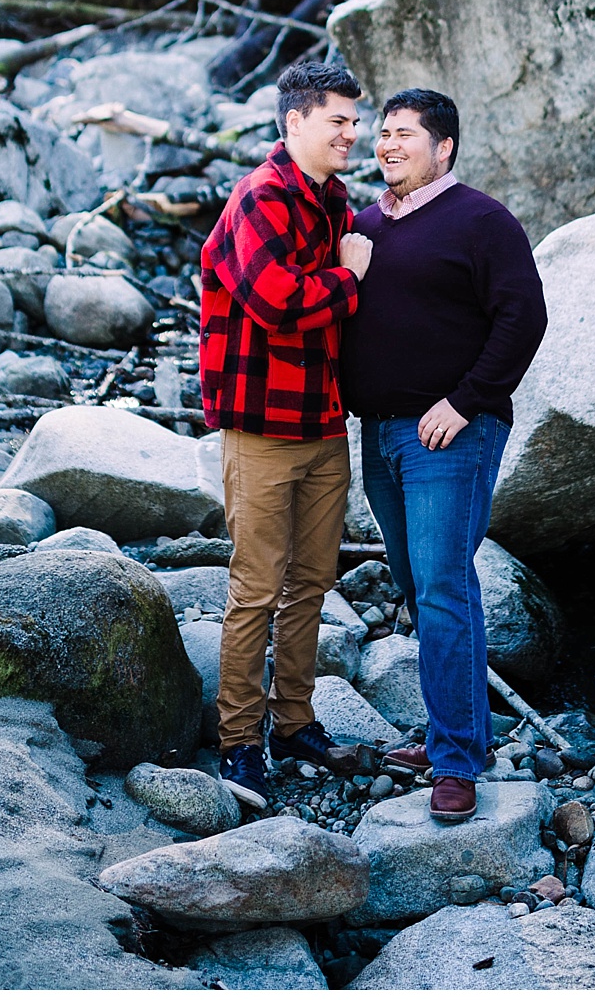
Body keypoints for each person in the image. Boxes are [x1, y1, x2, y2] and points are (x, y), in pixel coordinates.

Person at [340, 88, 547, 822]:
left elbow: (524, 315)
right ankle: (453, 734)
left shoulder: (482, 220)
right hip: (382, 434)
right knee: (424, 583)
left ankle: (457, 760)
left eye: (404, 134)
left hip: (452, 434)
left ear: (444, 146)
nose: (388, 144)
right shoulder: (362, 227)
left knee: (441, 586)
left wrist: (463, 401)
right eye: (384, 134)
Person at [200, 58, 375, 810]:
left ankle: (294, 721)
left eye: (355, 119)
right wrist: (352, 278)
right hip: (262, 429)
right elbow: (280, 304)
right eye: (339, 119)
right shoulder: (259, 198)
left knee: (311, 584)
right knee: (255, 590)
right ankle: (239, 741)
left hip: (323, 423)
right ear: (295, 120)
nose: (352, 132)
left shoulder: (334, 201)